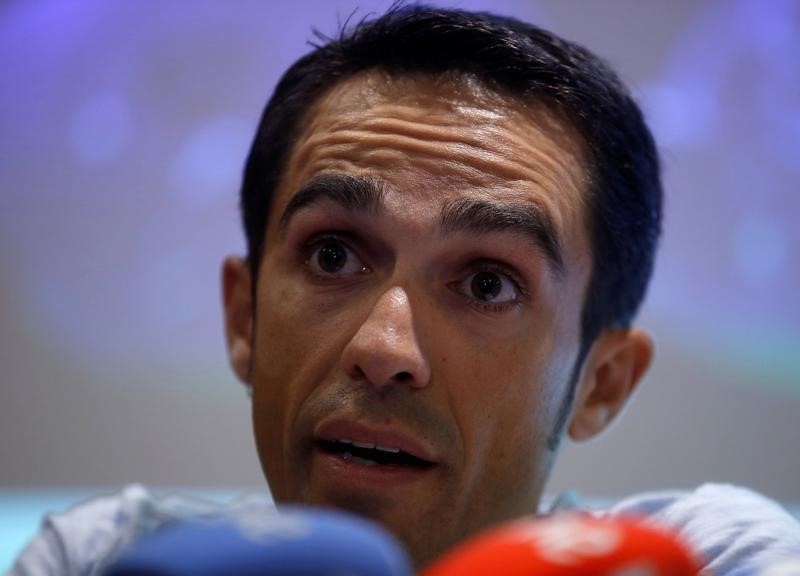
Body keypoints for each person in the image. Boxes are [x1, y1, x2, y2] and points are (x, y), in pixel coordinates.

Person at [10, 5, 800, 575]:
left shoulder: (707, 557)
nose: (385, 351)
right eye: (331, 257)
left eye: (488, 283)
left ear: (601, 383)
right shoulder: (106, 556)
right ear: (243, 318)